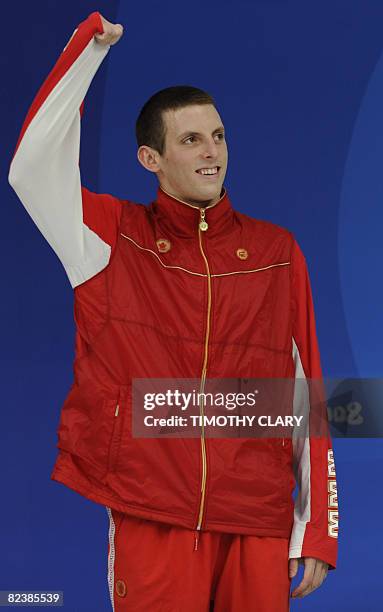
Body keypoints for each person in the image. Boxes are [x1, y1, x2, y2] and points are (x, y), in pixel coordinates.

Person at [8, 10, 339, 611]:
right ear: (150, 159)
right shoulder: (110, 239)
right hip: (152, 510)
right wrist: (89, 52)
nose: (211, 153)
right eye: (190, 140)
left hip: (257, 516)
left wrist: (315, 527)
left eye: (218, 136)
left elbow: (302, 390)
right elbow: (31, 171)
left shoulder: (276, 252)